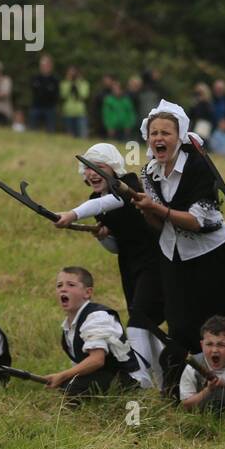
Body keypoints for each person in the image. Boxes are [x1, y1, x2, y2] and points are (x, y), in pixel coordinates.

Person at [133, 101, 225, 397]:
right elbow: (160, 225)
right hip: (176, 258)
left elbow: (197, 221)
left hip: (218, 258)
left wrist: (156, 208)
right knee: (182, 326)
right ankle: (181, 392)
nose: (159, 139)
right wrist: (145, 210)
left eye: (166, 133)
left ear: (180, 136)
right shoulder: (149, 171)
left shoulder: (198, 167)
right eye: (154, 133)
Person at [54, 143, 168, 389]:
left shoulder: (128, 185)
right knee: (146, 322)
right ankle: (165, 382)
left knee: (139, 318)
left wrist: (72, 215)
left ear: (113, 168)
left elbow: (106, 204)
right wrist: (105, 236)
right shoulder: (96, 197)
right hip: (129, 263)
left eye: (99, 167)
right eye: (87, 169)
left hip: (154, 261)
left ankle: (140, 378)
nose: (92, 173)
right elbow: (116, 245)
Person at [45, 266, 148, 397]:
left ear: (87, 293)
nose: (63, 289)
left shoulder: (96, 317)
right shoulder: (70, 325)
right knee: (69, 385)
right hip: (105, 375)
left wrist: (62, 375)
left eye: (71, 285)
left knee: (74, 388)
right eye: (59, 285)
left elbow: (97, 360)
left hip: (129, 380)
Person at [29, 53, 60, 133]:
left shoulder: (55, 79)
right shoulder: (35, 78)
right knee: (33, 128)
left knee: (50, 129)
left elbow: (56, 94)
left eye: (46, 64)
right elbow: (34, 91)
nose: (44, 66)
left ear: (50, 65)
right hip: (37, 106)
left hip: (50, 107)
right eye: (43, 64)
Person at [60, 66, 91, 138]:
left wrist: (77, 84)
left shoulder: (84, 83)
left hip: (80, 112)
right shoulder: (64, 83)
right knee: (69, 136)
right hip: (68, 112)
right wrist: (69, 83)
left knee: (82, 135)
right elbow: (63, 95)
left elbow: (84, 95)